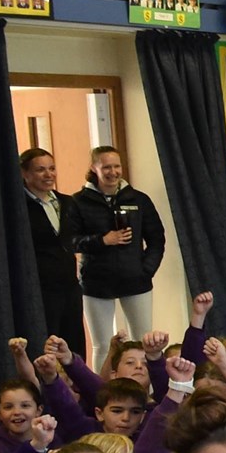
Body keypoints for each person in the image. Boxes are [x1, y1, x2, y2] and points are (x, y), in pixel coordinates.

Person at [73, 145, 164, 365]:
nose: (113, 172)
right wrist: (102, 240)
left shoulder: (138, 199)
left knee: (143, 340)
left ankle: (144, 389)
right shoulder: (78, 202)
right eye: (106, 167)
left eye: (116, 166)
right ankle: (100, 393)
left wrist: (146, 270)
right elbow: (72, 241)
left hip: (135, 280)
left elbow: (156, 239)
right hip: (96, 282)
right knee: (102, 345)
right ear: (94, 168)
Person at [19, 146, 88, 358]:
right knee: (45, 346)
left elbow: (77, 238)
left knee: (74, 345)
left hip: (69, 286)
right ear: (25, 173)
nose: (48, 175)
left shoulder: (68, 203)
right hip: (41, 289)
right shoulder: (19, 207)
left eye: (52, 168)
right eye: (41, 170)